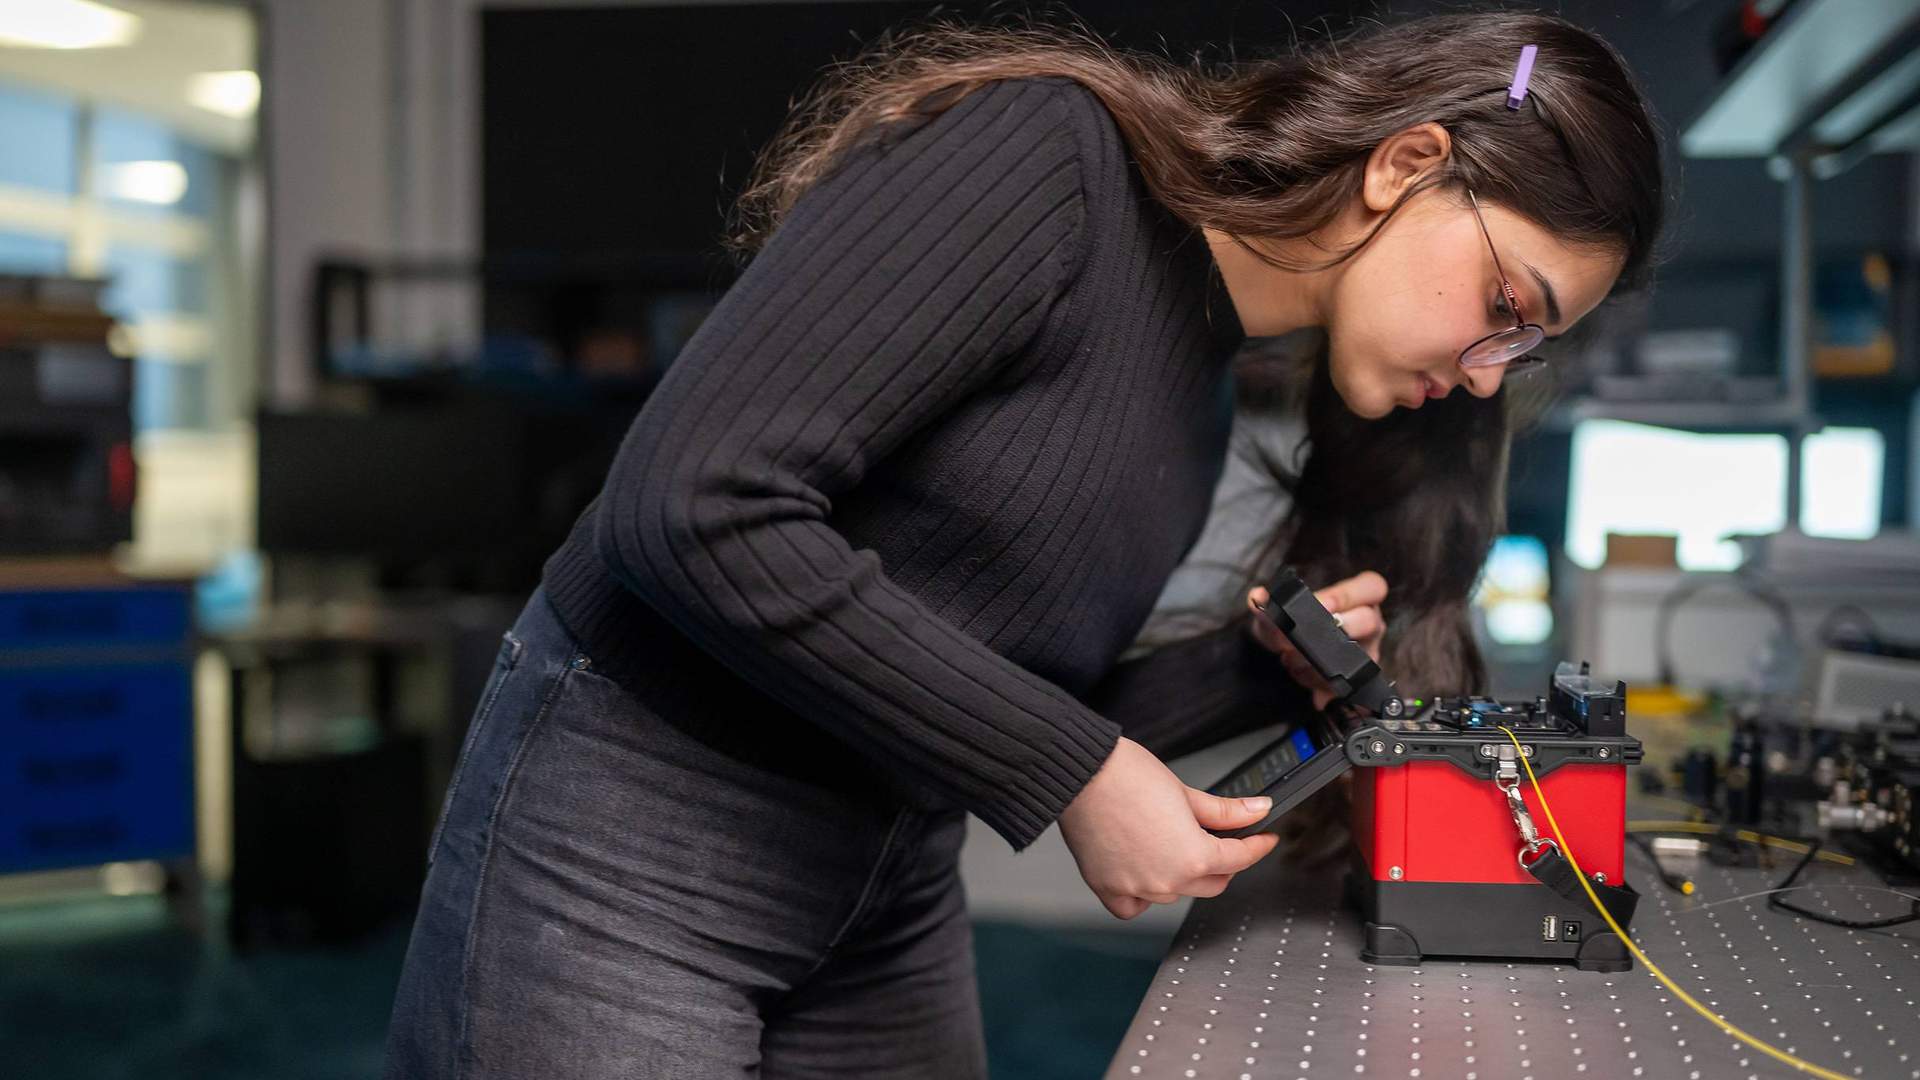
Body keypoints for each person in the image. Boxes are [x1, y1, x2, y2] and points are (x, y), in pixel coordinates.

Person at [383, 9, 1664, 1077]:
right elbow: (693, 505)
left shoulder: (1205, 376)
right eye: (1506, 307)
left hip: (883, 876)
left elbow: (975, 685)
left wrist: (1255, 671)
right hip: (628, 847)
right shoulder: (1050, 163)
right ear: (1405, 163)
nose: (1492, 376)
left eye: (1526, 347)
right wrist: (1078, 774)